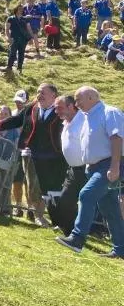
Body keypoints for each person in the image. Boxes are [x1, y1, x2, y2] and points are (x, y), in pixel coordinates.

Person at [56, 87, 123, 259]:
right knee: (109, 208)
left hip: (109, 164)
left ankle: (77, 239)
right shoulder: (86, 118)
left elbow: (117, 139)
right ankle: (121, 249)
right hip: (95, 167)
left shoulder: (110, 112)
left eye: (79, 100)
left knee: (86, 195)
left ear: (92, 97)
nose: (76, 104)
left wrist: (115, 166)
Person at [0, 83, 64, 227]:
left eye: (43, 92)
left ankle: (51, 217)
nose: (39, 95)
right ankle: (38, 215)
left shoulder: (60, 110)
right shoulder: (32, 107)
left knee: (50, 186)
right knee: (33, 185)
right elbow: (17, 120)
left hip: (53, 155)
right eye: (38, 92)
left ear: (53, 95)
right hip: (31, 152)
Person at [49, 95, 87, 237]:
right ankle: (70, 233)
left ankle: (83, 232)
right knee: (66, 200)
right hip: (73, 169)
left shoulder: (83, 121)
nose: (56, 111)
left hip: (86, 168)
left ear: (71, 106)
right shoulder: (66, 122)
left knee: (91, 201)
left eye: (59, 108)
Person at [5, 4, 34, 73]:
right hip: (14, 38)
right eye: (19, 8)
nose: (21, 10)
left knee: (21, 53)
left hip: (23, 39)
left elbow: (29, 29)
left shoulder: (25, 19)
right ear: (16, 9)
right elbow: (7, 29)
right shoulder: (10, 18)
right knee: (12, 53)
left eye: (22, 9)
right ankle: (9, 67)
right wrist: (9, 38)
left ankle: (19, 68)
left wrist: (31, 38)